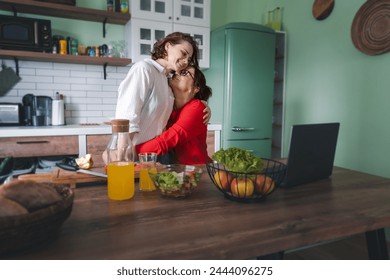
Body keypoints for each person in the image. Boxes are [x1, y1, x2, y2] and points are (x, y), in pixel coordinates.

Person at [115, 32, 209, 149]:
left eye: (188, 59)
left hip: (152, 156)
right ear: (168, 46)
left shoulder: (167, 82)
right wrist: (122, 155)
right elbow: (127, 118)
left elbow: (182, 107)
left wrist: (203, 104)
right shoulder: (144, 69)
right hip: (133, 152)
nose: (185, 61)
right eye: (183, 53)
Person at [136, 66, 212, 164]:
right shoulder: (168, 108)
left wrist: (132, 151)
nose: (177, 73)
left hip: (196, 172)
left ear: (196, 87)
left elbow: (166, 141)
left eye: (185, 73)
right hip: (175, 170)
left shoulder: (196, 107)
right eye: (177, 71)